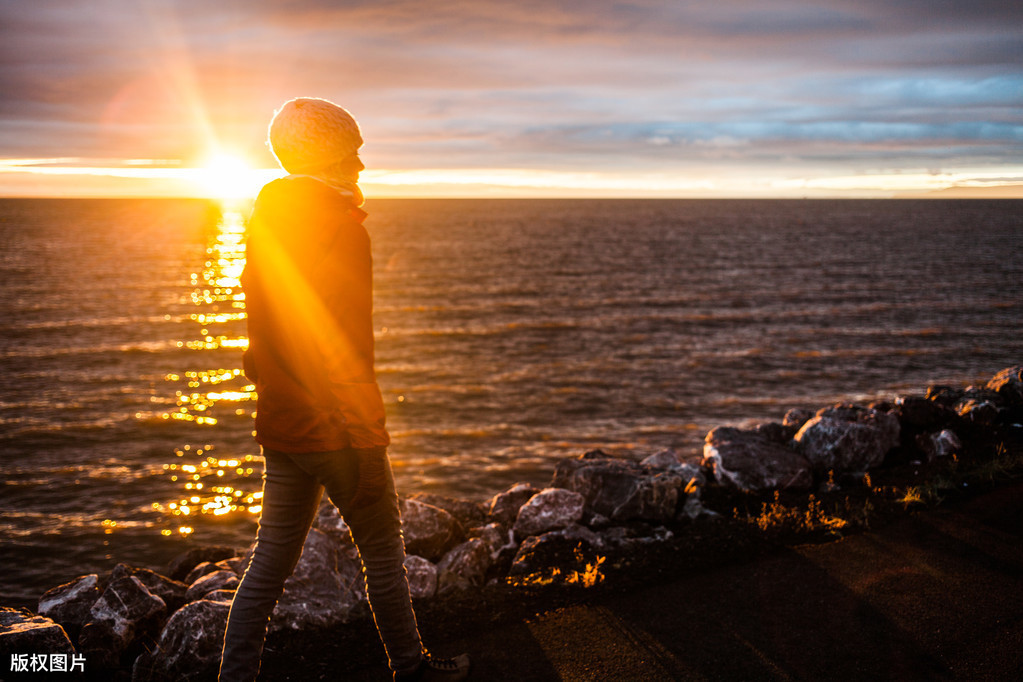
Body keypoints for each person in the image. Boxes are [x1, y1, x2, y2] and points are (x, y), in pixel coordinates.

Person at [219, 97, 471, 682]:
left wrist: (277, 395)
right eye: (350, 151)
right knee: (382, 553)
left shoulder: (261, 224)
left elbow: (263, 334)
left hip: (281, 424)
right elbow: (347, 347)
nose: (360, 165)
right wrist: (364, 435)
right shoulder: (341, 228)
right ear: (326, 158)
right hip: (336, 429)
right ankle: (410, 668)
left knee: (267, 565)